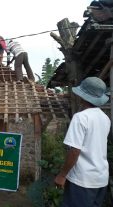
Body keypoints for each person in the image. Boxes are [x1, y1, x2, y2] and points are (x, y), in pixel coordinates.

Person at [54, 77, 110, 207]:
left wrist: (62, 175)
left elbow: (74, 151)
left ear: (82, 96)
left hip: (82, 180)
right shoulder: (105, 118)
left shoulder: (80, 118)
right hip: (101, 179)